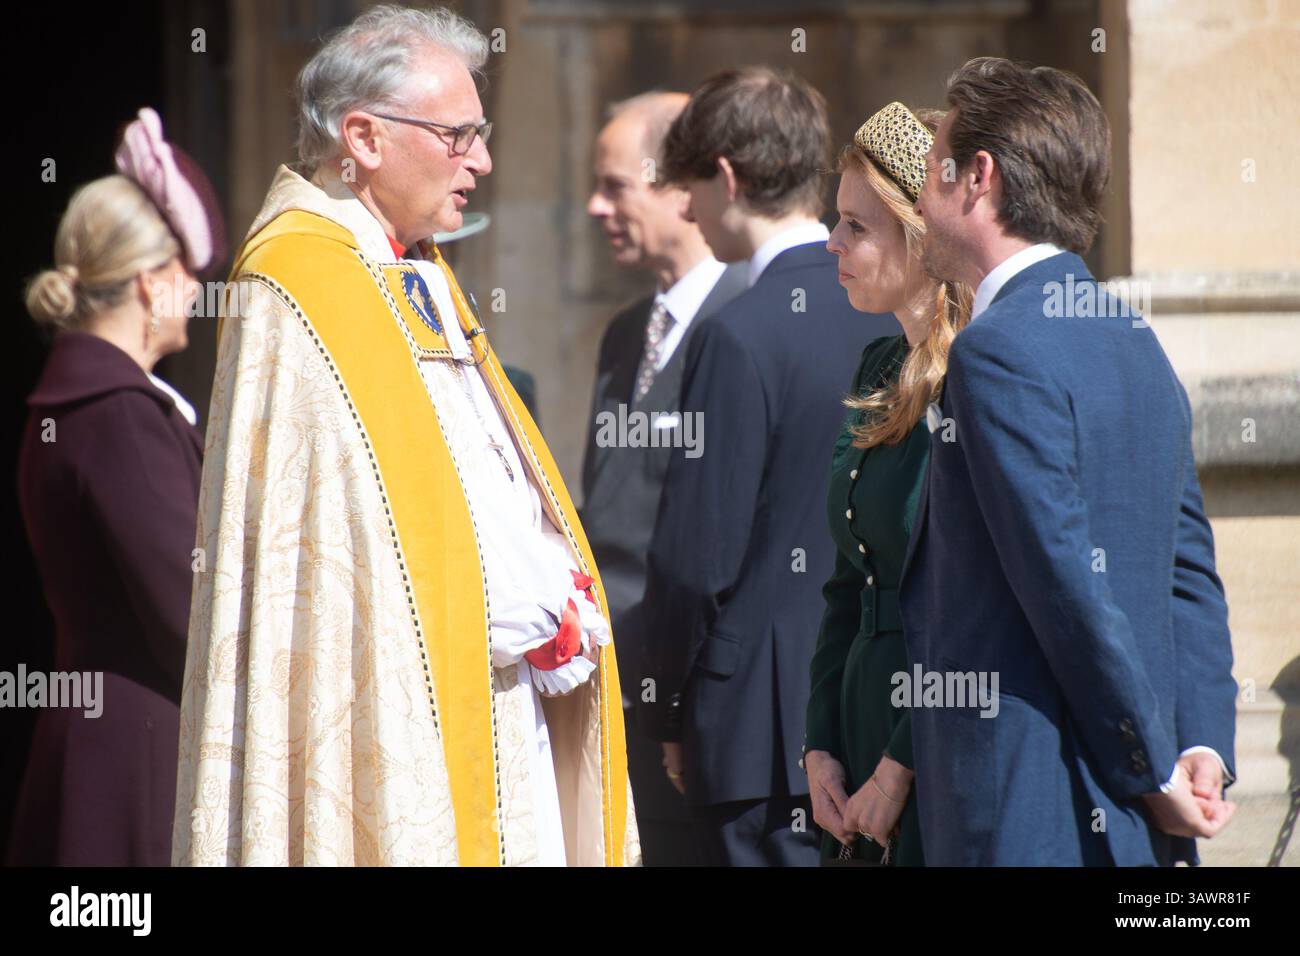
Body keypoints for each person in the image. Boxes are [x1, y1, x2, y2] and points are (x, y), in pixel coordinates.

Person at [172, 4, 639, 867]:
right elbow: (333, 561)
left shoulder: (419, 270)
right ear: (365, 137)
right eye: (459, 135)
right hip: (396, 723)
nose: (484, 161)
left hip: (512, 700)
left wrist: (554, 590)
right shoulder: (294, 284)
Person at [902, 56, 1238, 865]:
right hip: (1136, 816)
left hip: (1037, 808)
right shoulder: (1132, 335)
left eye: (930, 170)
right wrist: (1201, 748)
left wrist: (1151, 767)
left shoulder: (995, 350)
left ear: (978, 177)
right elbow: (1188, 573)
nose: (917, 198)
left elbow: (1064, 582)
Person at [636, 67, 899, 866]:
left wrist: (668, 716)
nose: (685, 210)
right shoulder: (897, 310)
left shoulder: (739, 333)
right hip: (877, 715)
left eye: (688, 188)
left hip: (757, 733)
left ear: (725, 176)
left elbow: (694, 561)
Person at [11, 107, 223, 865]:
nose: (198, 294)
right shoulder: (119, 415)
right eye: (188, 276)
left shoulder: (83, 404)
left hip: (106, 738)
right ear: (149, 281)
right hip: (137, 755)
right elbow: (190, 618)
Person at [582, 91, 746, 866]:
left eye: (615, 185)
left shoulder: (749, 324)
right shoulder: (622, 336)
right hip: (610, 698)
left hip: (703, 711)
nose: (593, 206)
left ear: (680, 185)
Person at [805, 103, 971, 866]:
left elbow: (972, 598)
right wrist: (820, 748)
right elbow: (849, 579)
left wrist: (899, 765)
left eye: (855, 227)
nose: (832, 243)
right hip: (861, 717)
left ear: (919, 232)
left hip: (937, 727)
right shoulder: (878, 364)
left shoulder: (976, 376)